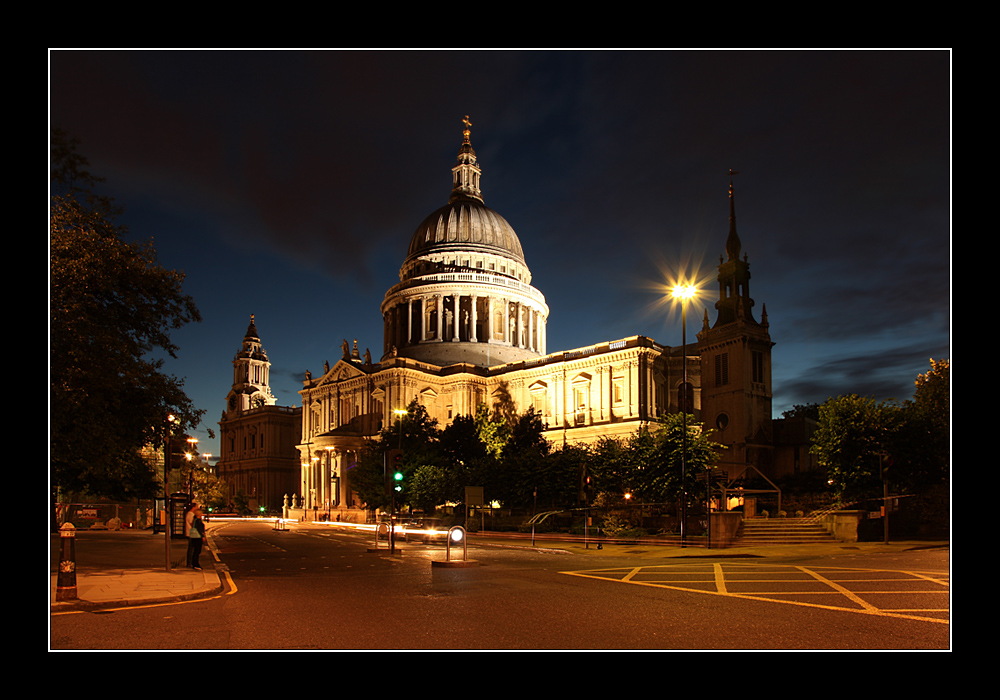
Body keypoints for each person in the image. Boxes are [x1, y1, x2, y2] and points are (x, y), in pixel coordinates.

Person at [186, 503, 205, 570]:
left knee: (194, 550)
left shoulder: (194, 518)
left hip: (193, 535)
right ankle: (193, 563)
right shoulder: (196, 519)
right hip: (196, 536)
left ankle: (192, 563)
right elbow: (198, 528)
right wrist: (203, 536)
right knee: (195, 551)